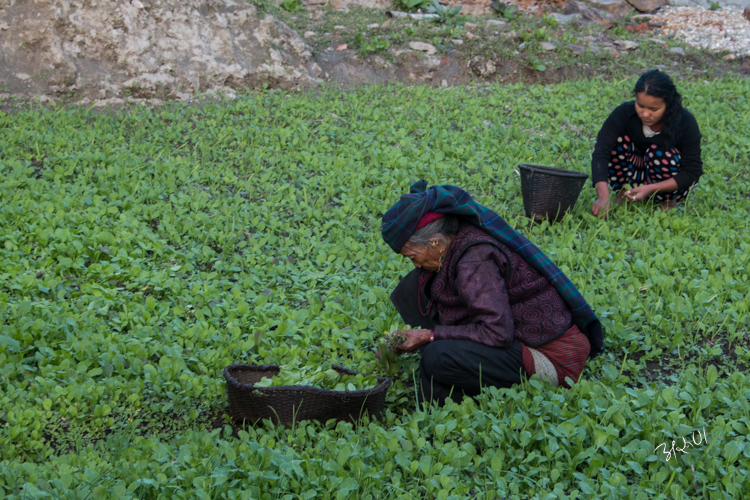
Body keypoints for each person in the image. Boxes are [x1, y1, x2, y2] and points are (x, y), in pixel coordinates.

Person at [380, 181, 604, 406]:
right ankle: (446, 389)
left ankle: (453, 402)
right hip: (517, 334)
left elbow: (497, 332)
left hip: (552, 358)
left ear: (436, 243)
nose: (415, 264)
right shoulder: (459, 237)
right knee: (414, 288)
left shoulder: (474, 263)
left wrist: (429, 336)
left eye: (412, 256)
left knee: (437, 356)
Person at [591, 69, 703, 218]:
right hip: (635, 173)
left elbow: (692, 171)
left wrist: (651, 188)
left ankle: (667, 203)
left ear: (668, 105)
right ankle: (624, 194)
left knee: (661, 153)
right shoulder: (624, 113)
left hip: (671, 181)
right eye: (640, 105)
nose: (645, 114)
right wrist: (603, 195)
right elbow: (601, 151)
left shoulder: (686, 122)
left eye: (654, 109)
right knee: (619, 141)